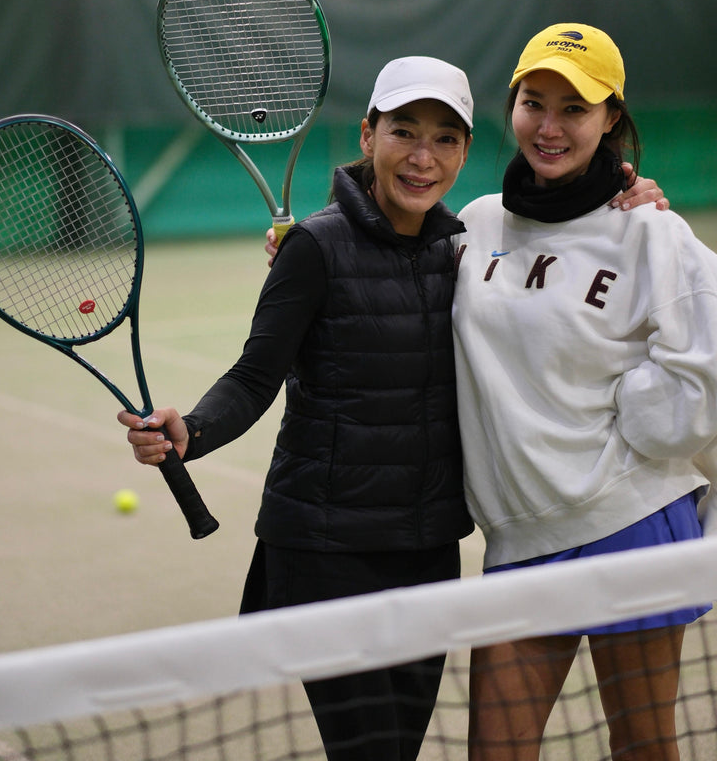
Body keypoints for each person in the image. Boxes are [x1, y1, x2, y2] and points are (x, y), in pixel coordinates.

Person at [120, 55, 665, 761]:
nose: (422, 157)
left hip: (426, 549)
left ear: (465, 151)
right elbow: (254, 378)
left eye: (444, 139)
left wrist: (625, 190)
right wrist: (192, 429)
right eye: (403, 131)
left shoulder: (467, 251)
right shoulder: (315, 247)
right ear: (368, 134)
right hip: (327, 551)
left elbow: (555, 269)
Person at [452, 23, 717, 761]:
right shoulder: (474, 224)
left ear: (611, 120)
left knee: (643, 747)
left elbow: (703, 372)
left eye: (575, 109)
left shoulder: (650, 232)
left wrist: (641, 411)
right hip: (519, 537)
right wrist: (309, 248)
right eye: (534, 103)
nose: (550, 126)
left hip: (630, 521)